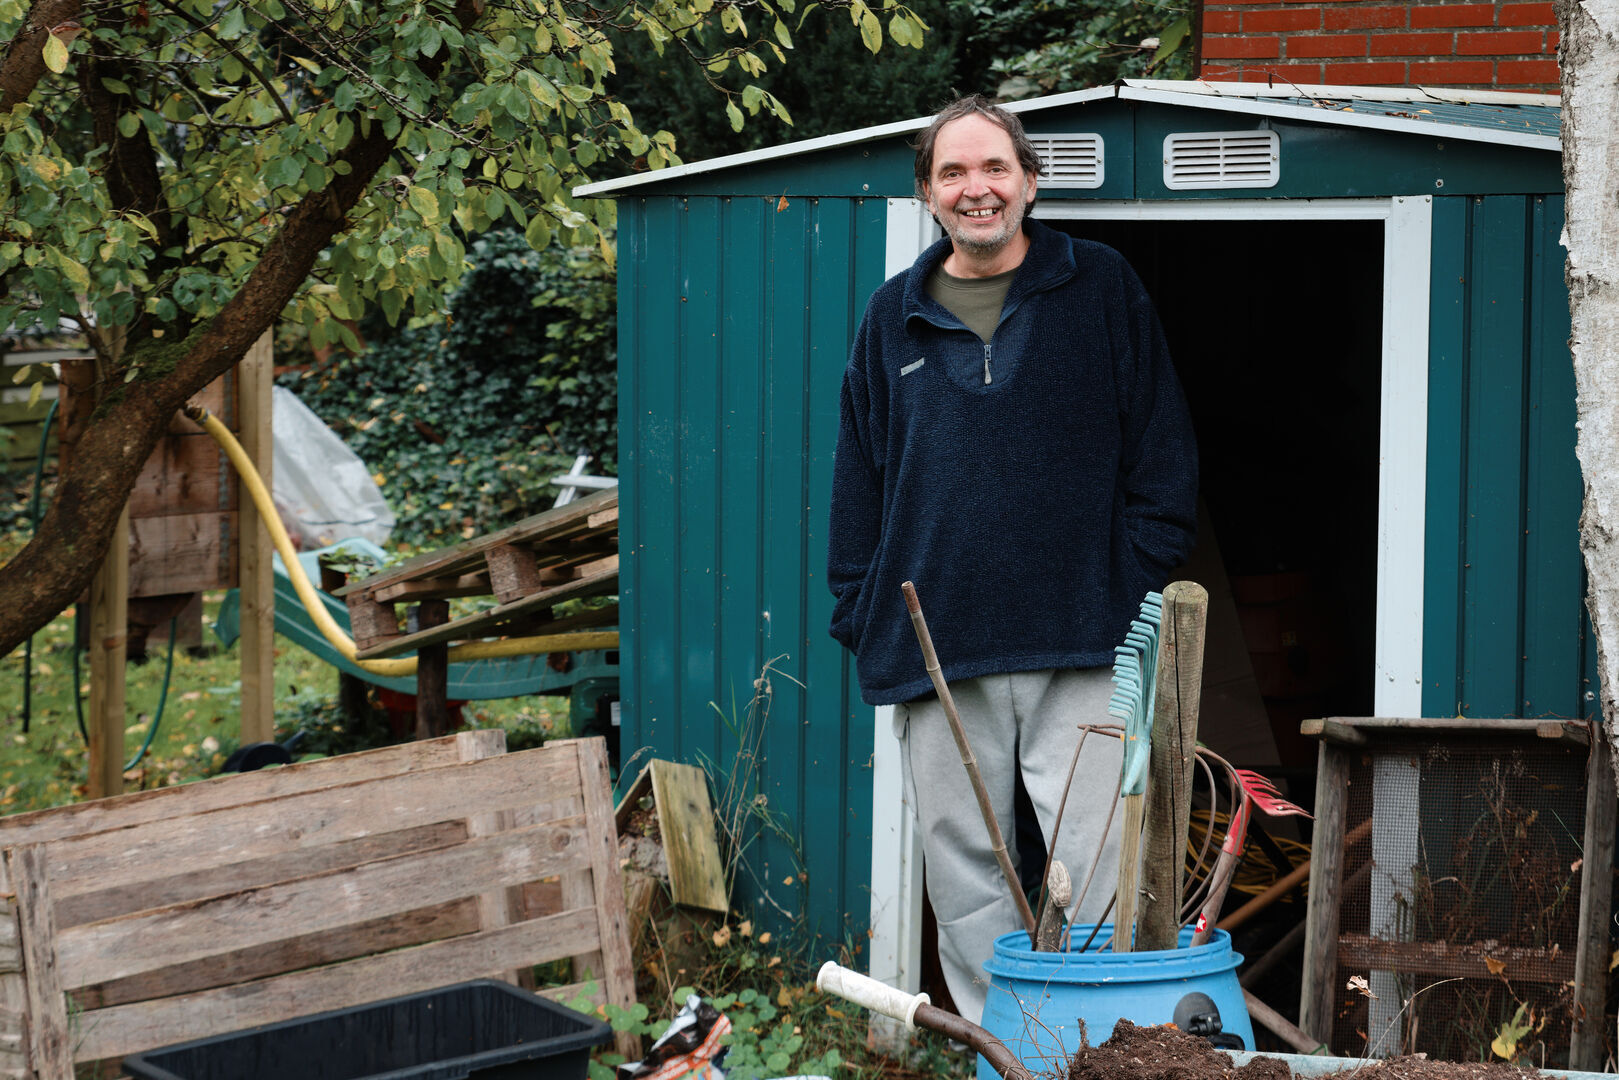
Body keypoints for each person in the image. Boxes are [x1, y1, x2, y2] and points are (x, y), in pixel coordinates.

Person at [825, 95, 1198, 1024]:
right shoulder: (891, 318)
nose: (975, 189)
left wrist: (1132, 582)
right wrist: (859, 607)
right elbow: (858, 478)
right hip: (938, 652)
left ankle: (1101, 1049)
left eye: (993, 168)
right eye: (952, 173)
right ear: (928, 193)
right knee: (968, 885)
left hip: (1082, 641)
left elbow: (1161, 453)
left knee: (1097, 873)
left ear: (1029, 182)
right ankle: (1011, 1052)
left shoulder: (1099, 286)